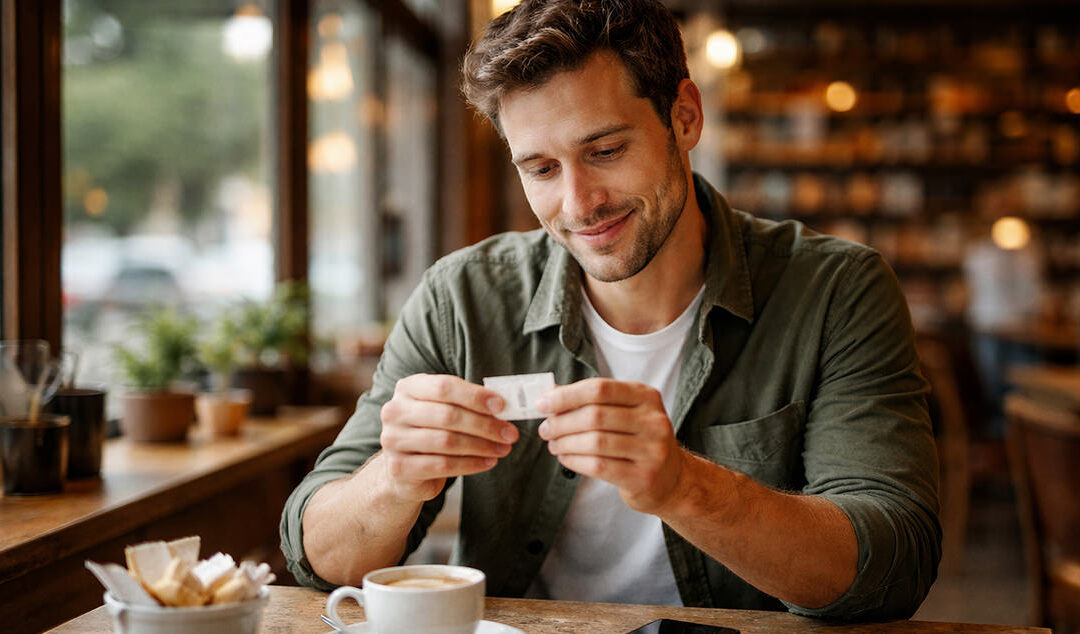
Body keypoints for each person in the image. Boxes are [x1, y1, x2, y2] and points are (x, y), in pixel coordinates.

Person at [281, 0, 940, 621]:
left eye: (605, 151)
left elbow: (896, 562)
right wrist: (394, 479)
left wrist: (683, 486)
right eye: (540, 169)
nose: (579, 202)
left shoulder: (836, 291)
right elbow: (318, 560)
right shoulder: (461, 298)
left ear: (684, 118)